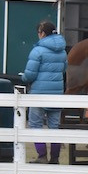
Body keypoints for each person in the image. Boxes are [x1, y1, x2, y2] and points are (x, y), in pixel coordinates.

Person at [21, 21, 67, 163]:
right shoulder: (63, 50)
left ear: (42, 33)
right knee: (55, 127)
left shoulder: (38, 50)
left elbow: (30, 75)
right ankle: (55, 158)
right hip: (57, 93)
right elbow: (64, 69)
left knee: (35, 125)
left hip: (39, 94)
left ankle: (42, 156)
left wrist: (23, 77)